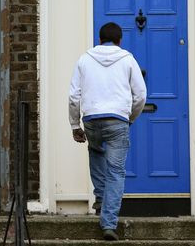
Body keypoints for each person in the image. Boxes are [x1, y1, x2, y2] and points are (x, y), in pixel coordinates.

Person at [68, 22, 146, 241]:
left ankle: (101, 198)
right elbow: (140, 95)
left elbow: (74, 96)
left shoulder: (85, 59)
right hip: (117, 120)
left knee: (96, 152)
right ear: (119, 40)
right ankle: (109, 223)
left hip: (92, 118)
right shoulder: (127, 59)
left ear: (99, 39)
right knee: (116, 172)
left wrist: (75, 125)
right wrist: (130, 117)